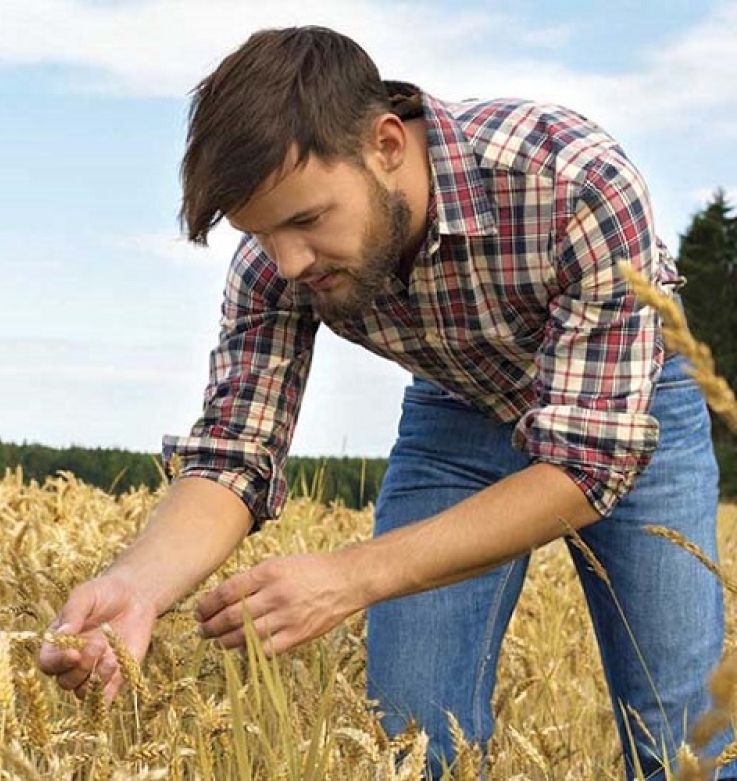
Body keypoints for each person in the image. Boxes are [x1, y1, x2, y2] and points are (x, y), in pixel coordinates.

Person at [36, 26, 733, 779]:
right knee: (411, 735)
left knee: (682, 730)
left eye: (307, 220)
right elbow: (234, 453)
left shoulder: (573, 179)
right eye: (260, 234)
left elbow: (584, 466)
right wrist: (138, 587)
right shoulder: (276, 262)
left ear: (387, 144)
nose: (288, 262)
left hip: (628, 410)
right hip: (457, 409)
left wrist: (351, 575)